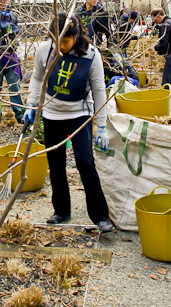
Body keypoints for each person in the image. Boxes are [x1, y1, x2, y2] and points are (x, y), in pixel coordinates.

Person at [24, 13, 114, 233]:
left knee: (85, 163)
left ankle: (100, 216)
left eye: (65, 41)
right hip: (52, 114)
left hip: (79, 115)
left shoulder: (91, 55)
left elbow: (99, 90)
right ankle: (61, 210)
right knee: (56, 165)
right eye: (56, 40)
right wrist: (31, 103)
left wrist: (101, 126)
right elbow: (37, 77)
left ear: (76, 37)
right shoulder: (45, 50)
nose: (60, 46)